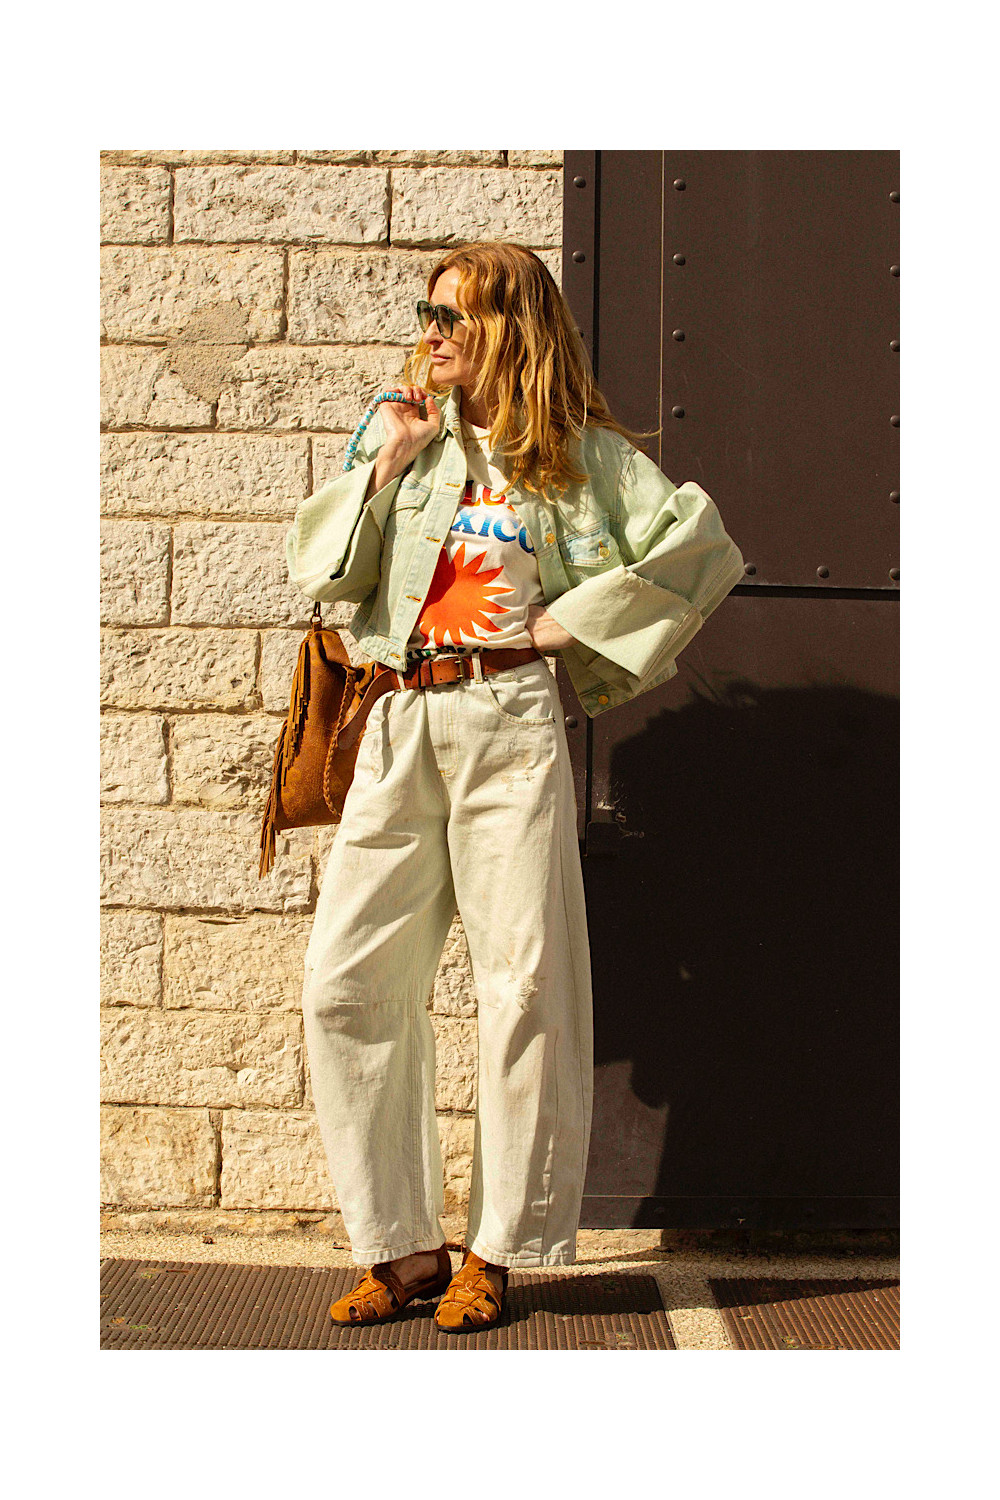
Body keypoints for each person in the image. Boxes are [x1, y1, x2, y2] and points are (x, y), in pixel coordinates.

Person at [285, 241, 744, 1333]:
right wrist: (384, 464)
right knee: (345, 983)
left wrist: (564, 624)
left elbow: (699, 549)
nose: (432, 332)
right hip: (399, 716)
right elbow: (321, 571)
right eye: (428, 312)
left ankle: (495, 1249)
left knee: (525, 986)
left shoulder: (577, 455)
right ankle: (402, 1248)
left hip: (506, 722)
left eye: (455, 315)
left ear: (511, 328)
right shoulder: (401, 432)